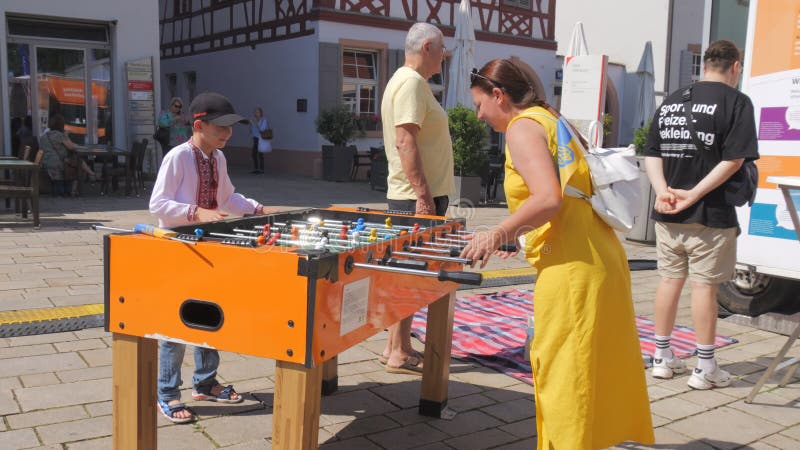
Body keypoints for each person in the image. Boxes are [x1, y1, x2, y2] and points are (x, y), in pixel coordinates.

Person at [460, 59, 654, 449]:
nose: (479, 115)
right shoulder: (548, 119)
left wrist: (498, 232)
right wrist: (520, 237)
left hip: (574, 271)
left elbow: (548, 198)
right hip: (597, 257)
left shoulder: (522, 127)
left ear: (499, 95)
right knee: (592, 372)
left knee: (565, 376)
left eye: (480, 104)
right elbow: (566, 200)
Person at [149, 92, 277, 423]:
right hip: (178, 245)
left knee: (210, 314)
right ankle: (167, 392)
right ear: (199, 125)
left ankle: (205, 382)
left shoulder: (217, 158)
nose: (227, 134)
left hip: (209, 245)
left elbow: (228, 197)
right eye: (220, 127)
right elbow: (158, 205)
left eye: (231, 128)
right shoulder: (178, 157)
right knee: (176, 323)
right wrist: (197, 212)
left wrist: (257, 209)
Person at [644, 40, 758, 390]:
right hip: (710, 213)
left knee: (669, 280)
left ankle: (662, 358)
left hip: (668, 212)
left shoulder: (673, 100)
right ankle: (705, 366)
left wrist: (663, 190)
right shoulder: (737, 102)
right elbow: (735, 159)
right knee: (705, 286)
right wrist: (694, 194)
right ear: (735, 67)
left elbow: (652, 152)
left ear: (704, 65)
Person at [379, 22, 455, 375]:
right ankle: (397, 350)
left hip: (413, 195)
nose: (445, 54)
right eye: (441, 48)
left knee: (405, 272)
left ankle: (398, 343)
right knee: (410, 274)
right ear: (427, 47)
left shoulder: (406, 80)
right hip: (416, 197)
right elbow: (405, 141)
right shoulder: (411, 83)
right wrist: (424, 196)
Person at [39, 113, 95, 197]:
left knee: (76, 161)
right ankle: (90, 175)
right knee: (78, 162)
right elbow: (71, 147)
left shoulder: (44, 136)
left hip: (45, 163)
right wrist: (67, 136)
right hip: (58, 164)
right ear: (61, 125)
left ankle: (90, 174)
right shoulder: (59, 135)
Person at [249, 107, 271, 174]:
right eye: (255, 112)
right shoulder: (254, 119)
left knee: (260, 154)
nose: (256, 113)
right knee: (254, 154)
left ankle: (261, 169)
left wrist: (256, 123)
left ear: (260, 113)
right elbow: (252, 130)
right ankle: (256, 168)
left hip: (261, 138)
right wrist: (251, 124)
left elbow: (262, 129)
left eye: (257, 112)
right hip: (255, 138)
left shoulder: (263, 120)